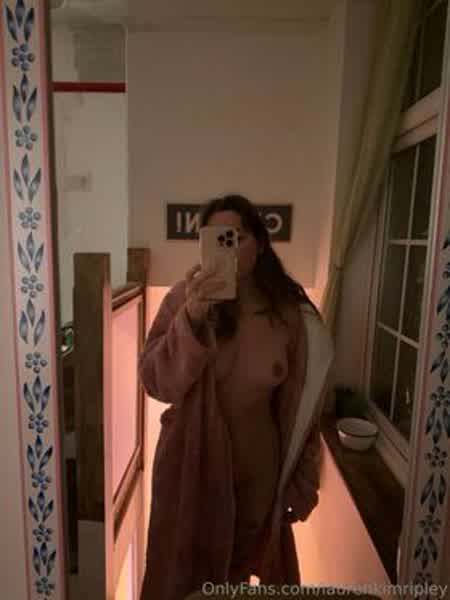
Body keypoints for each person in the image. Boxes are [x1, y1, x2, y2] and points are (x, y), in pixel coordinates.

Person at [139, 194, 334, 600]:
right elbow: (156, 382)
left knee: (238, 581)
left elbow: (304, 412)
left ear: (260, 244)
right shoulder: (183, 299)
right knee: (182, 579)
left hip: (259, 476)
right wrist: (192, 317)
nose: (226, 248)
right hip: (189, 471)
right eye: (216, 238)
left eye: (237, 237)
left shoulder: (290, 314)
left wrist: (301, 482)